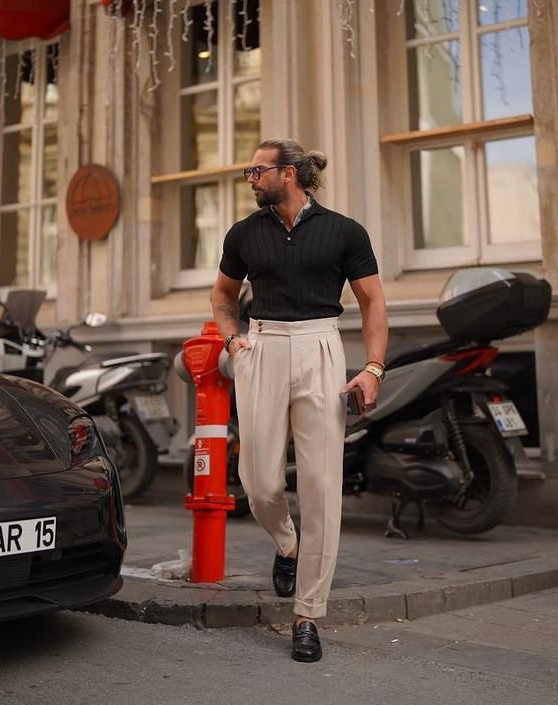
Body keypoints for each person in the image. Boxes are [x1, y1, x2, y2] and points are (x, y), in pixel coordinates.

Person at [211, 138, 388, 662]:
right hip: (261, 347)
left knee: (320, 487)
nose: (250, 178)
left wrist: (373, 368)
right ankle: (286, 542)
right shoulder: (243, 233)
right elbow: (223, 295)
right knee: (259, 481)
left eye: (257, 170)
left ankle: (308, 614)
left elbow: (373, 301)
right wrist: (231, 338)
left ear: (288, 174)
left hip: (320, 346)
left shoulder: (344, 232)